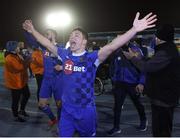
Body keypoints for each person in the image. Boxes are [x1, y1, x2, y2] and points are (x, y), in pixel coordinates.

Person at [22, 12, 157, 136]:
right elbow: (46, 43)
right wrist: (32, 30)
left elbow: (112, 46)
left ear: (84, 42)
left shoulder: (92, 58)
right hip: (67, 111)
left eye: (76, 35)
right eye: (71, 35)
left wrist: (134, 29)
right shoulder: (65, 54)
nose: (72, 37)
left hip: (85, 112)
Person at [123, 24, 180, 137]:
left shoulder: (166, 52)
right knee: (161, 130)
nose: (154, 38)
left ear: (159, 38)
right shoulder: (167, 49)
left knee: (161, 131)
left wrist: (132, 58)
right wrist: (140, 57)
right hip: (164, 97)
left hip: (163, 99)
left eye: (155, 36)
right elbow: (152, 62)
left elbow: (147, 67)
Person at [24, 29, 63, 128]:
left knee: (60, 105)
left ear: (54, 35)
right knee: (42, 104)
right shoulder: (43, 47)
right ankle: (53, 119)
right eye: (44, 33)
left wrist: (62, 67)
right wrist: (28, 31)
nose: (45, 34)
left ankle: (60, 121)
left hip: (58, 80)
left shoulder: (61, 47)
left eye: (47, 33)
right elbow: (32, 41)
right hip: (46, 80)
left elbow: (70, 62)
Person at [108, 42, 147, 136]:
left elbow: (143, 68)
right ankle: (116, 127)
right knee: (117, 106)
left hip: (133, 83)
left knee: (137, 103)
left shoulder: (136, 50)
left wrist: (141, 82)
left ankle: (143, 120)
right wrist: (113, 79)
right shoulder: (117, 51)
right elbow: (112, 66)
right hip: (120, 83)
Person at [4, 41, 31, 122]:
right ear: (13, 48)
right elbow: (19, 67)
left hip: (21, 80)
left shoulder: (16, 54)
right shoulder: (9, 58)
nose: (19, 48)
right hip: (15, 82)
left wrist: (26, 59)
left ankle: (22, 110)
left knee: (27, 94)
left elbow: (22, 63)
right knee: (16, 100)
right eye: (17, 47)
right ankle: (15, 115)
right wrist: (28, 61)